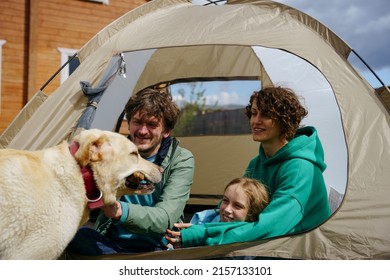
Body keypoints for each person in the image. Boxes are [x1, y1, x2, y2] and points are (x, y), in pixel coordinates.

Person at [165, 86, 331, 248]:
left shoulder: (300, 169)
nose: (255, 121)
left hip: (299, 251)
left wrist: (202, 236)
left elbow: (270, 228)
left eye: (265, 115)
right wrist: (200, 226)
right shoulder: (258, 162)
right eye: (253, 113)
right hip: (270, 244)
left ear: (284, 120)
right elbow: (232, 210)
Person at [67, 87, 195, 255]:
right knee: (76, 236)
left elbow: (164, 218)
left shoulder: (181, 160)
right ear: (129, 123)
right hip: (112, 243)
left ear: (166, 131)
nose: (142, 131)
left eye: (152, 125)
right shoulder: (111, 150)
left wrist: (120, 211)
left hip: (157, 247)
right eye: (137, 122)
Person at [166, 177, 269, 249]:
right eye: (225, 200)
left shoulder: (253, 240)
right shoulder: (203, 219)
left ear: (252, 213)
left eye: (237, 206)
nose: (227, 209)